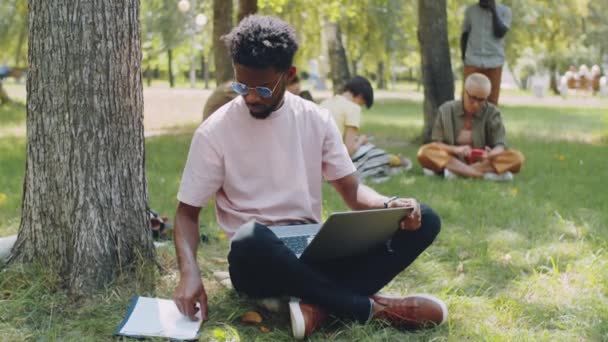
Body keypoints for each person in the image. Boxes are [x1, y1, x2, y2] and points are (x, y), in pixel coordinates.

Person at [172, 15, 446, 340]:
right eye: (241, 86)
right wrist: (189, 274)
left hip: (314, 248)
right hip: (258, 260)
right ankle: (373, 308)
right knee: (249, 239)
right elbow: (186, 214)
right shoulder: (214, 133)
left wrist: (391, 205)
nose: (250, 97)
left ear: (289, 76)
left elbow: (354, 195)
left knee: (425, 219)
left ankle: (314, 307)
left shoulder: (317, 120)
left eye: (262, 88)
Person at [417, 73, 524, 181]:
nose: (476, 104)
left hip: (482, 162)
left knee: (517, 158)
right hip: (452, 159)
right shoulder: (446, 110)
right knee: (424, 152)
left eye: (481, 100)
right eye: (472, 98)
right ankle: (481, 176)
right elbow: (437, 144)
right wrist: (456, 149)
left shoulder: (492, 113)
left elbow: (500, 145)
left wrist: (490, 155)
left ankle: (457, 173)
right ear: (464, 92)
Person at [320, 76, 412, 182]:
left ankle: (394, 162)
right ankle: (397, 162)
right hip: (332, 162)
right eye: (362, 104)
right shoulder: (353, 108)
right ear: (360, 96)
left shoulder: (325, 103)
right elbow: (348, 151)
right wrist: (360, 141)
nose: (361, 106)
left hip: (317, 160)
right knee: (371, 151)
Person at [461, 0, 511, 105]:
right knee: (467, 101)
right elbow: (465, 34)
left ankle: (488, 122)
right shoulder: (471, 10)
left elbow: (500, 33)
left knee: (491, 102)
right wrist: (464, 57)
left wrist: (493, 11)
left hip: (494, 62)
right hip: (472, 61)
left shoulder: (505, 11)